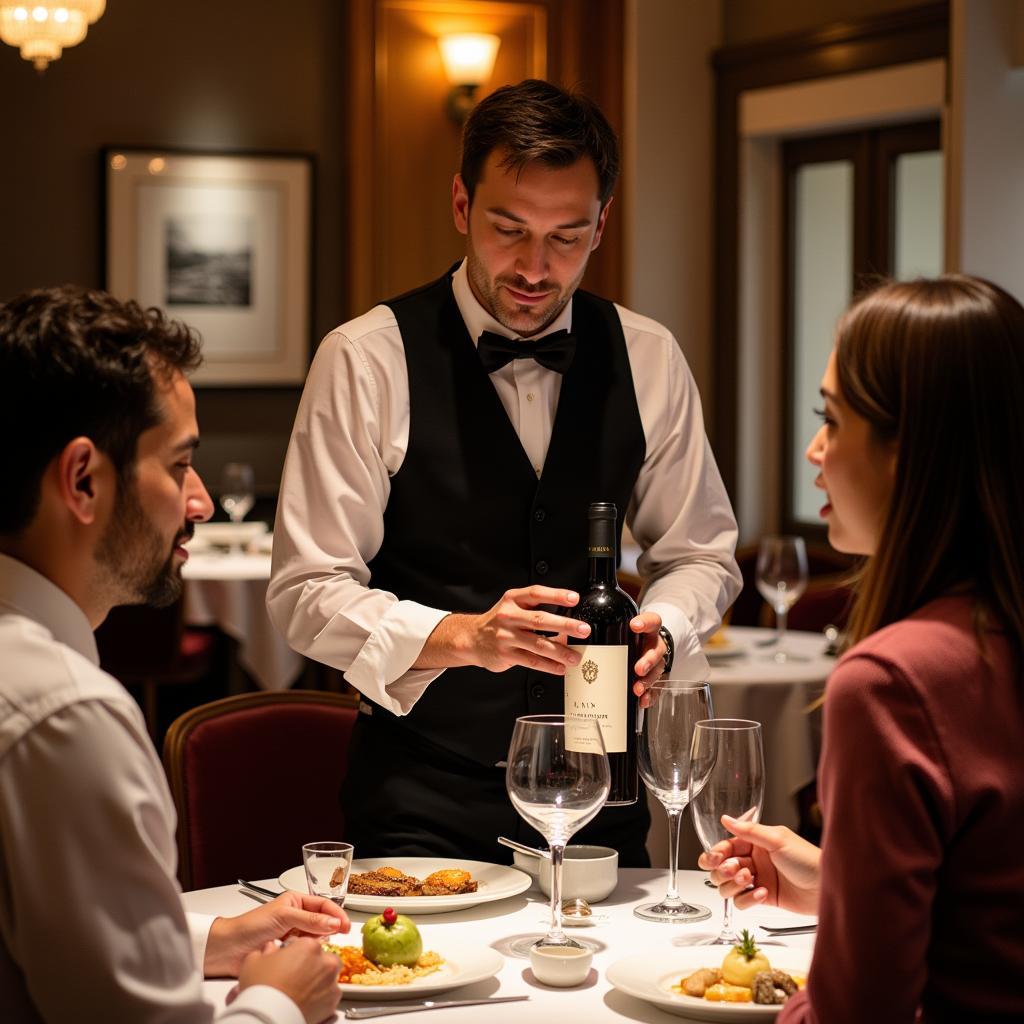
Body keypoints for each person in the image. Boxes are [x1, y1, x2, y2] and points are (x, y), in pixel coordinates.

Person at [268, 78, 740, 866]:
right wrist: (462, 636)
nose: (534, 266)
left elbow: (700, 552)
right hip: (424, 803)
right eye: (508, 228)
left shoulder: (648, 355)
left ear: (602, 225)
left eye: (566, 236)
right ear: (461, 205)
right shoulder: (365, 358)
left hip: (604, 800)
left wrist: (671, 626)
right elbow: (306, 589)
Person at [0, 285, 347, 1023]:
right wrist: (277, 1002)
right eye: (180, 464)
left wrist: (210, 939)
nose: (202, 502)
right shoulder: (66, 717)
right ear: (84, 480)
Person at [700, 275, 1024, 1022]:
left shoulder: (892, 681)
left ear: (910, 449)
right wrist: (836, 877)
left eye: (833, 420)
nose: (815, 449)